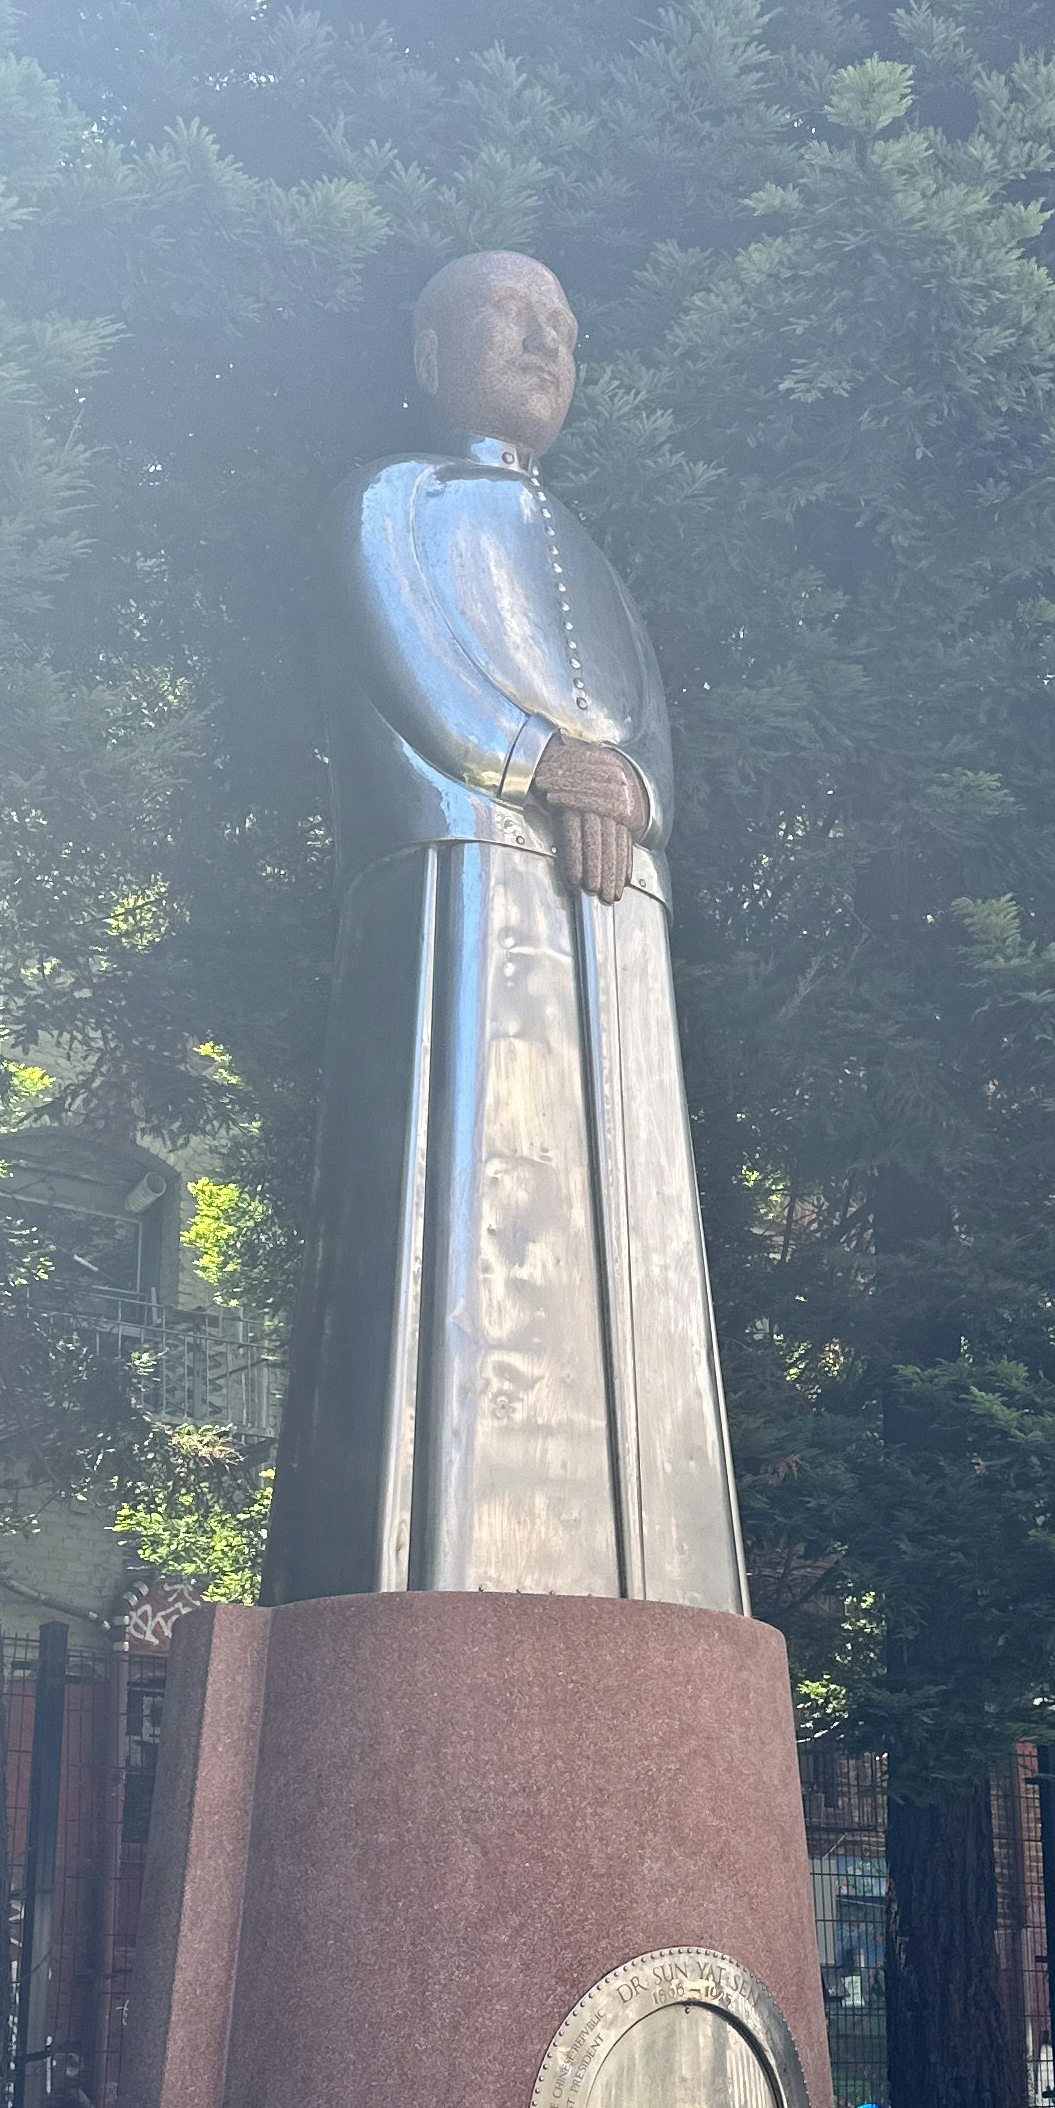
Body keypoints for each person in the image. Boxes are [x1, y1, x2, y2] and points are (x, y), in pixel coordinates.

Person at [261, 248, 746, 1612]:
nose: (543, 345)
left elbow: (645, 729)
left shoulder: (585, 550)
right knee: (457, 1223)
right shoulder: (390, 502)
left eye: (564, 330)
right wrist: (538, 759)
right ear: (430, 351)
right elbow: (412, 658)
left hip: (610, 914)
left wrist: (626, 790)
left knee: (638, 1244)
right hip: (458, 886)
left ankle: (657, 1590)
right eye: (511, 319)